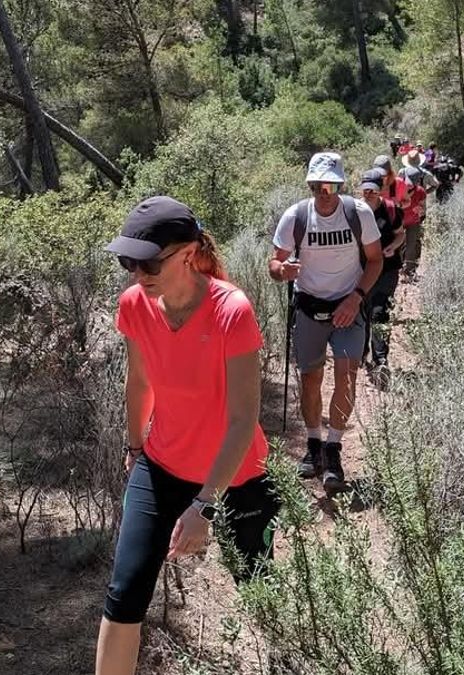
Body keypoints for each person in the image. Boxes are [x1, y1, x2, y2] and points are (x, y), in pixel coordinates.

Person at [96, 196, 279, 675]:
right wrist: (134, 447)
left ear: (188, 253)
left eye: (150, 260)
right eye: (128, 260)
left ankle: (286, 659)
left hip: (238, 476)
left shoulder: (230, 310)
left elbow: (243, 418)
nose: (138, 272)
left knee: (259, 589)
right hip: (162, 464)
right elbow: (140, 382)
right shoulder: (134, 304)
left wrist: (205, 506)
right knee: (126, 590)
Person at [268, 152, 383, 492]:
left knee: (346, 374)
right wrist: (281, 271)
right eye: (318, 185)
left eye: (330, 185)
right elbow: (274, 263)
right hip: (309, 309)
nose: (324, 192)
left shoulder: (358, 214)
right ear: (310, 184)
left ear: (340, 184)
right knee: (310, 380)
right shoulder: (296, 216)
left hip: (349, 305)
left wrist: (356, 298)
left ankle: (333, 448)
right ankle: (314, 443)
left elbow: (375, 261)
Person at [358, 169, 404, 385]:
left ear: (381, 191)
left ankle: (380, 360)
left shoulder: (392, 210)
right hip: (361, 270)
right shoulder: (354, 211)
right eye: (365, 190)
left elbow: (400, 234)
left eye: (373, 191)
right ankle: (361, 352)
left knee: (380, 311)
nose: (368, 195)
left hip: (387, 270)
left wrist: (393, 248)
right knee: (363, 310)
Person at [400, 166, 429, 283]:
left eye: (413, 183)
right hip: (399, 222)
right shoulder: (397, 188)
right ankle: (399, 267)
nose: (409, 185)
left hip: (413, 222)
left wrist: (420, 211)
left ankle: (410, 271)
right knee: (399, 245)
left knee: (411, 245)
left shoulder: (420, 191)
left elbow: (423, 207)